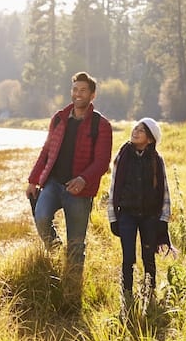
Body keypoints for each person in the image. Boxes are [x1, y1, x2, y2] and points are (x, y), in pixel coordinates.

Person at [26, 72, 113, 287]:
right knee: (42, 218)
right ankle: (56, 253)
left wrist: (83, 179)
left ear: (92, 95)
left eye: (83, 90)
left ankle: (72, 288)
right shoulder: (59, 118)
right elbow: (47, 150)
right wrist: (33, 180)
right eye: (75, 89)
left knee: (76, 244)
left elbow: (102, 161)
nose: (77, 94)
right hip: (53, 184)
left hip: (80, 192)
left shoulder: (101, 125)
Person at [106, 118, 171, 304]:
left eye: (142, 130)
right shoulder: (123, 156)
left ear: (150, 139)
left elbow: (165, 190)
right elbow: (113, 188)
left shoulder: (156, 160)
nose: (136, 131)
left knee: (148, 256)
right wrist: (113, 217)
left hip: (150, 216)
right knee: (128, 257)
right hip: (127, 214)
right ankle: (127, 294)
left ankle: (149, 293)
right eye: (136, 128)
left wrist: (163, 219)